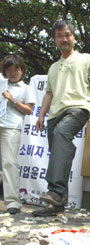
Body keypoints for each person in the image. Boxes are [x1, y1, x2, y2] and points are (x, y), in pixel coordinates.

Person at [33, 20, 90, 216]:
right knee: (59, 152)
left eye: (67, 35)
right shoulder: (53, 67)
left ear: (73, 37)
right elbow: (49, 93)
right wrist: (41, 115)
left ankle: (56, 192)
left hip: (78, 109)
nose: (64, 39)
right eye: (60, 36)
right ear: (55, 40)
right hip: (54, 114)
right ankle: (57, 206)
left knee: (61, 135)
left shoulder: (86, 59)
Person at [0, 54, 35, 214]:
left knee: (9, 163)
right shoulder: (1, 83)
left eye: (16, 69)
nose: (13, 73)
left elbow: (29, 110)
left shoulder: (27, 88)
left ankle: (13, 202)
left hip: (11, 127)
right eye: (9, 69)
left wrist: (13, 100)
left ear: (22, 70)